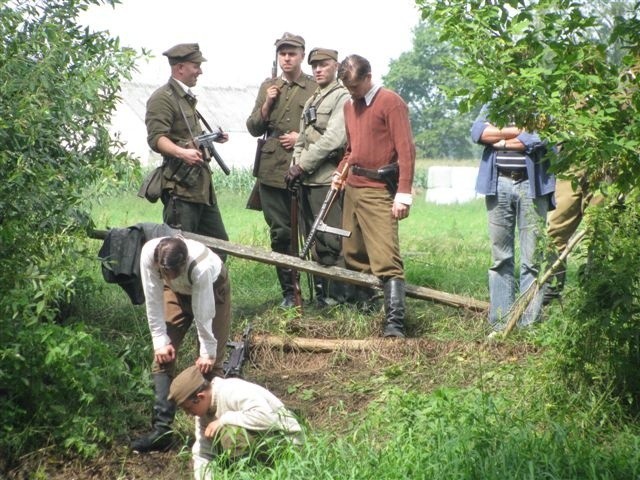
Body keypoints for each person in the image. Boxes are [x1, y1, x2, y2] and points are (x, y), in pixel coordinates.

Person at [331, 54, 416, 338]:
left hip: (379, 190)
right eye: (348, 88)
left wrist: (403, 193)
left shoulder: (391, 102)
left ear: (368, 77)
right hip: (353, 187)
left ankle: (395, 325)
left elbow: (406, 150)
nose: (353, 93)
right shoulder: (348, 106)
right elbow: (352, 149)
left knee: (386, 259)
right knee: (353, 253)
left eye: (355, 87)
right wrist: (341, 171)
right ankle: (366, 315)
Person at [130, 236, 231, 453]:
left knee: (212, 365)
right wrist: (160, 341)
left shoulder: (201, 267)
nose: (170, 277)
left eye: (175, 273)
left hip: (213, 289)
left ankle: (218, 434)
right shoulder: (150, 254)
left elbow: (204, 314)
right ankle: (162, 432)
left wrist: (207, 352)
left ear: (184, 262)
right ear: (159, 264)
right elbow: (153, 298)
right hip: (176, 293)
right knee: (162, 356)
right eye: (166, 273)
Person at [246, 33, 317, 307]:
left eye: (292, 53)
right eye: (283, 54)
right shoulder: (268, 86)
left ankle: (321, 292)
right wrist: (267, 103)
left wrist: (300, 136)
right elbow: (254, 128)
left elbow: (326, 127)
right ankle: (290, 293)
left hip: (305, 166)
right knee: (280, 233)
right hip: (272, 170)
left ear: (302, 55)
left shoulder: (314, 87)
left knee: (313, 230)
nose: (287, 58)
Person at [471, 105, 555, 332]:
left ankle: (528, 326)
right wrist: (518, 131)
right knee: (501, 258)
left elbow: (538, 138)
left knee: (532, 260)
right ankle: (501, 324)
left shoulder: (541, 100)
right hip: (498, 183)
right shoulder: (493, 100)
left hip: (533, 186)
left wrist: (501, 139)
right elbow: (478, 132)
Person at [145, 43, 229, 251]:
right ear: (180, 68)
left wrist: (212, 138)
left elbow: (187, 134)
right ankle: (175, 285)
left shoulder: (185, 97)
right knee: (179, 252)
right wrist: (182, 152)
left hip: (200, 186)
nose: (200, 71)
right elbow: (157, 139)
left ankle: (204, 284)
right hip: (180, 188)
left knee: (218, 247)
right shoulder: (162, 98)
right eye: (196, 66)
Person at [286, 47, 350, 307]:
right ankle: (323, 296)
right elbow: (301, 138)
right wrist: (296, 164)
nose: (318, 70)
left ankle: (341, 297)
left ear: (335, 66)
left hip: (328, 180)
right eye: (314, 66)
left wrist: (301, 166)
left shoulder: (341, 97)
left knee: (332, 241)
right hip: (308, 181)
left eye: (323, 64)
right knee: (315, 244)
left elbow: (334, 139)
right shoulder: (314, 98)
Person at [168, 365, 303, 478]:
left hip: (288, 445)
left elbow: (267, 417)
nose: (188, 414)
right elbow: (202, 452)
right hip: (261, 444)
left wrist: (223, 420)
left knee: (230, 433)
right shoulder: (202, 413)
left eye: (188, 408)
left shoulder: (231, 390)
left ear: (200, 397)